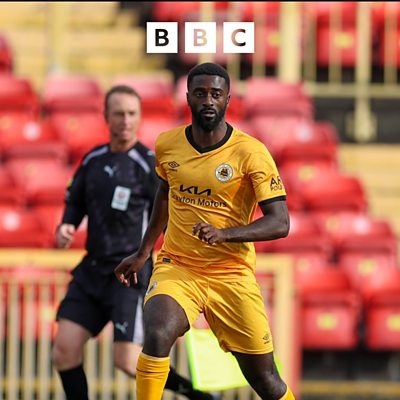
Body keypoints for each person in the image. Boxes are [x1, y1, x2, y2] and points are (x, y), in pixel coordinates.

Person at [114, 63, 295, 400]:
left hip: (231, 274)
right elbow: (164, 194)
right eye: (200, 93)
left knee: (266, 380)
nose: (208, 100)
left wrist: (226, 234)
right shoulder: (167, 144)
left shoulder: (250, 152)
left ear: (228, 99)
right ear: (188, 98)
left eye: (215, 94)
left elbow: (280, 222)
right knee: (157, 333)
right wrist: (143, 252)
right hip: (179, 266)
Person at [51, 84, 214, 400]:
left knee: (127, 360)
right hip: (92, 271)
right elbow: (75, 200)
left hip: (129, 275)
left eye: (131, 114)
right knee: (63, 350)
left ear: (139, 118)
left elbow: (171, 214)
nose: (125, 120)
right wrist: (67, 225)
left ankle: (198, 395)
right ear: (106, 117)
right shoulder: (93, 159)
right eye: (119, 114)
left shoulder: (149, 164)